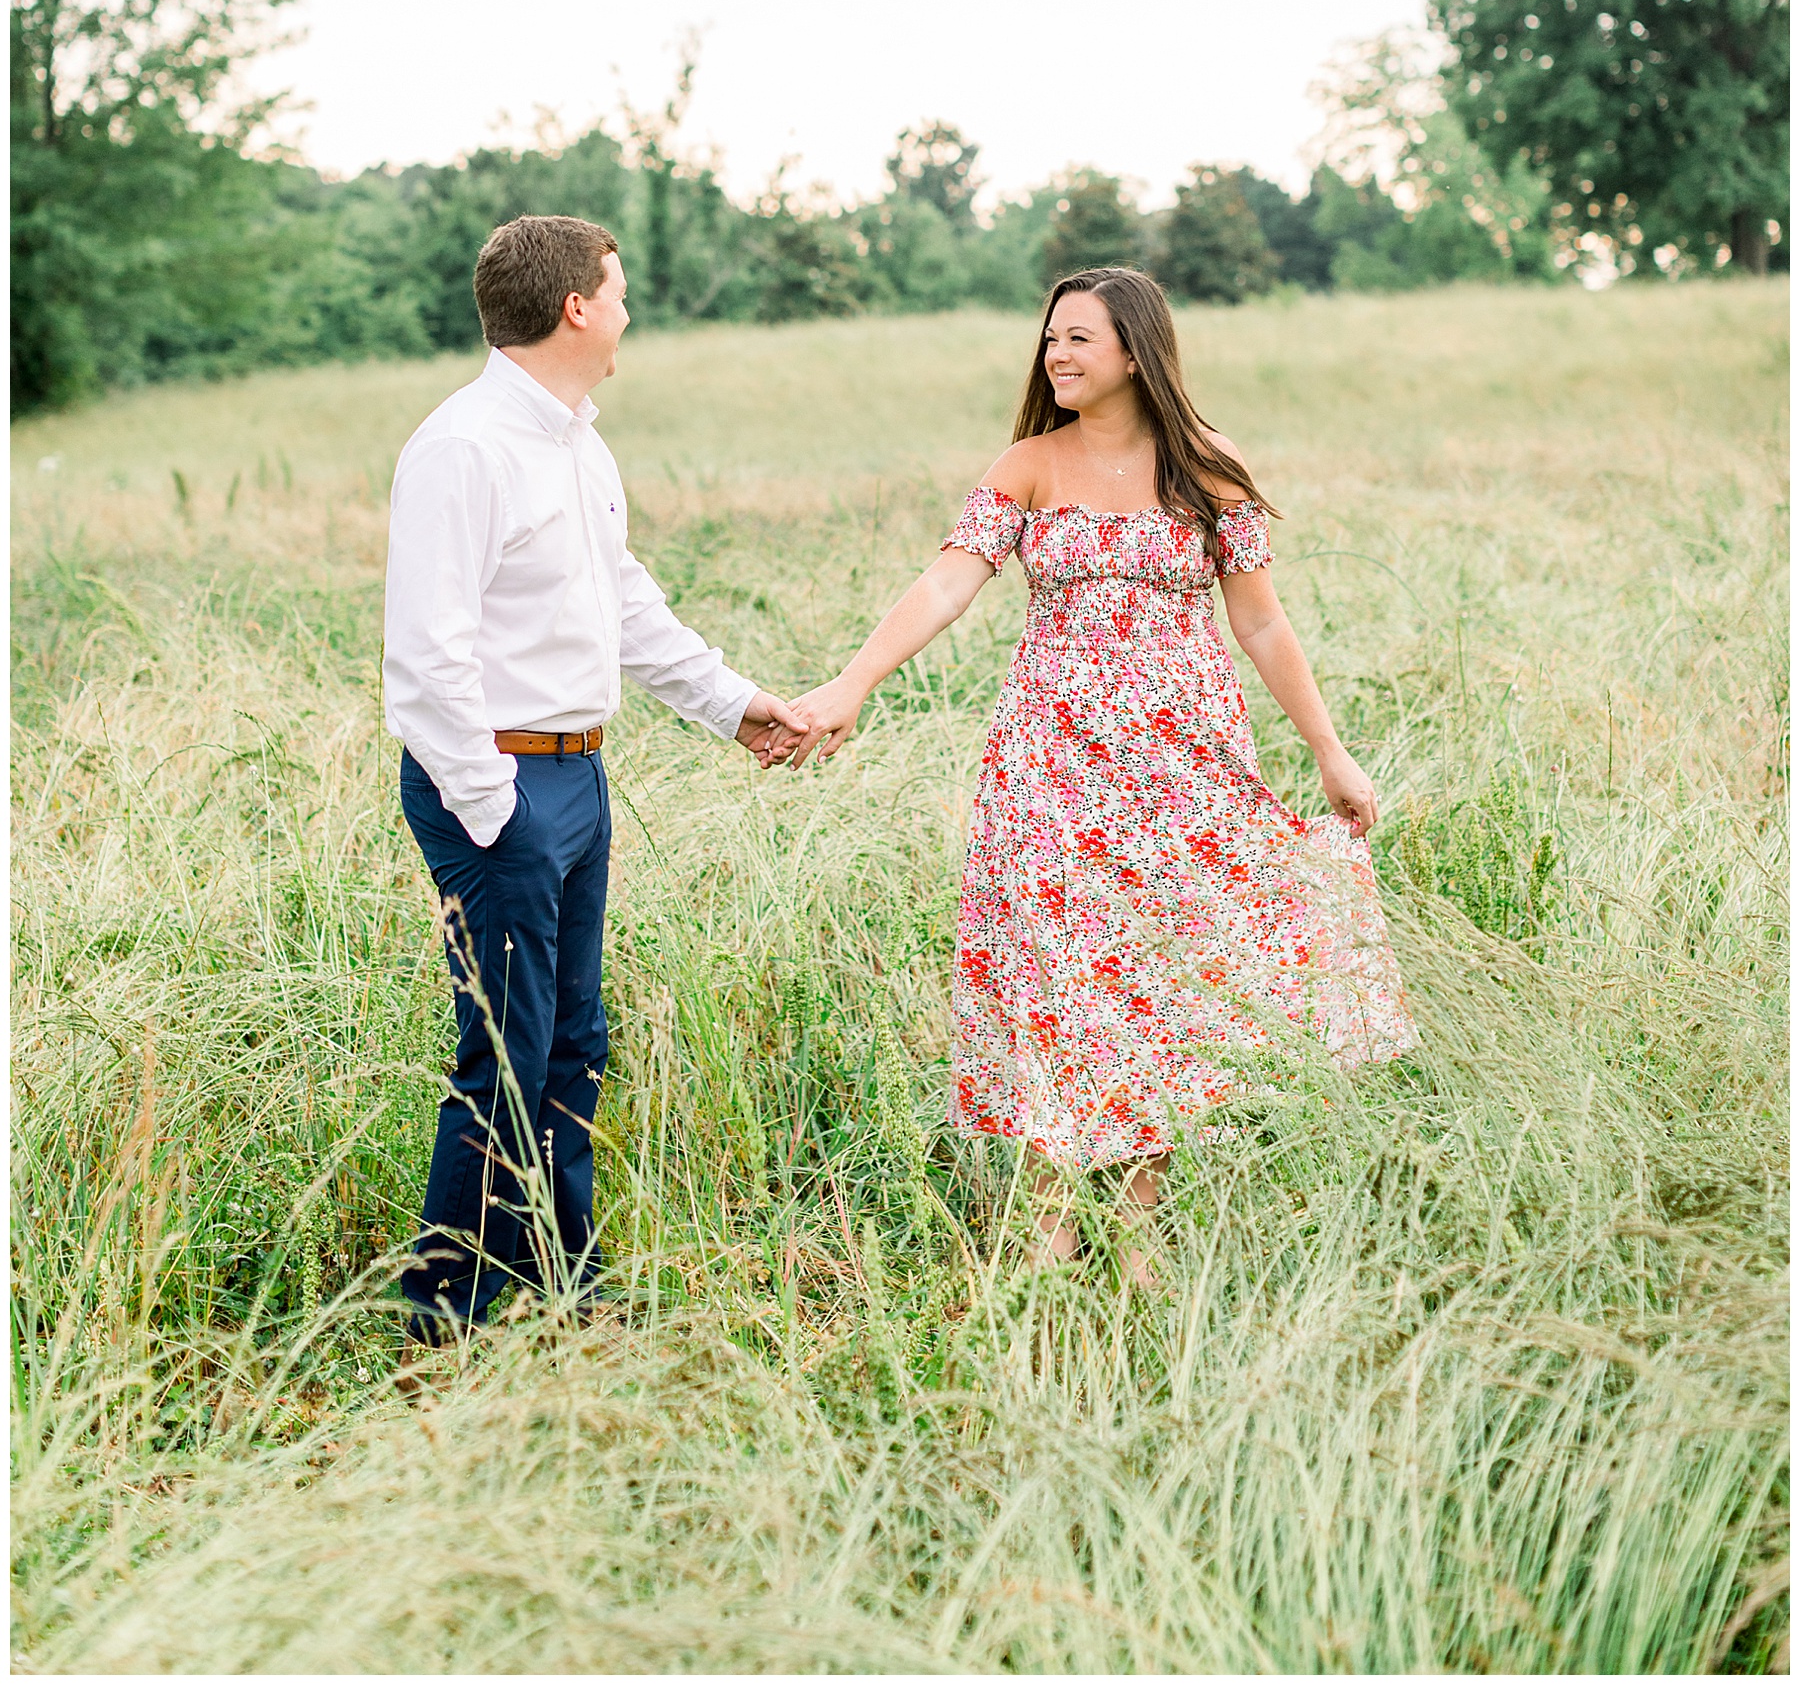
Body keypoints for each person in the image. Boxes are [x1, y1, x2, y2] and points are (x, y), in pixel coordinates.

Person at [784, 265, 1417, 1278]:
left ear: (1136, 349)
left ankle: (1134, 1218)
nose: (1058, 354)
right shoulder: (1029, 464)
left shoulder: (1207, 466)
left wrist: (1329, 749)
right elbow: (949, 578)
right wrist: (851, 681)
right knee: (1047, 975)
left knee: (1158, 978)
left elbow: (1258, 616)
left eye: (1079, 337)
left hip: (1183, 775)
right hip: (1050, 767)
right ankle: (1047, 1222)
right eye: (1051, 339)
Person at [383, 213, 803, 1350]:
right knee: (503, 1050)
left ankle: (565, 1278)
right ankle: (447, 1312)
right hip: (500, 786)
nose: (626, 311)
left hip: (579, 774)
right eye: (616, 290)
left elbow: (624, 606)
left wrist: (736, 704)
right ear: (576, 305)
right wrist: (494, 807)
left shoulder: (578, 441)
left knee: (573, 1037)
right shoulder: (463, 446)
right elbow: (427, 656)